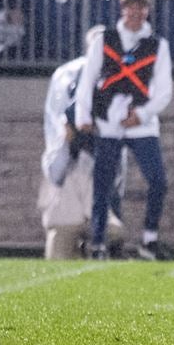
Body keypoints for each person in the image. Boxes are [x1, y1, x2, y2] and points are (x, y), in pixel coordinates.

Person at [74, 0, 172, 261]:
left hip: (142, 123)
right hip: (108, 121)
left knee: (158, 180)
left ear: (147, 11)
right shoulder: (104, 40)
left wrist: (141, 115)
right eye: (130, 6)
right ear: (122, 9)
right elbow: (87, 81)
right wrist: (84, 117)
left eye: (140, 7)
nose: (135, 12)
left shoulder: (158, 45)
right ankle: (98, 241)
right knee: (103, 184)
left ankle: (149, 239)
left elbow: (164, 91)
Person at [39, 56, 124, 260]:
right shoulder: (61, 144)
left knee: (114, 231)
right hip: (65, 213)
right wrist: (68, 142)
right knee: (58, 255)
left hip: (92, 210)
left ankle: (91, 247)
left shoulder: (102, 139)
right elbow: (55, 174)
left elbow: (113, 177)